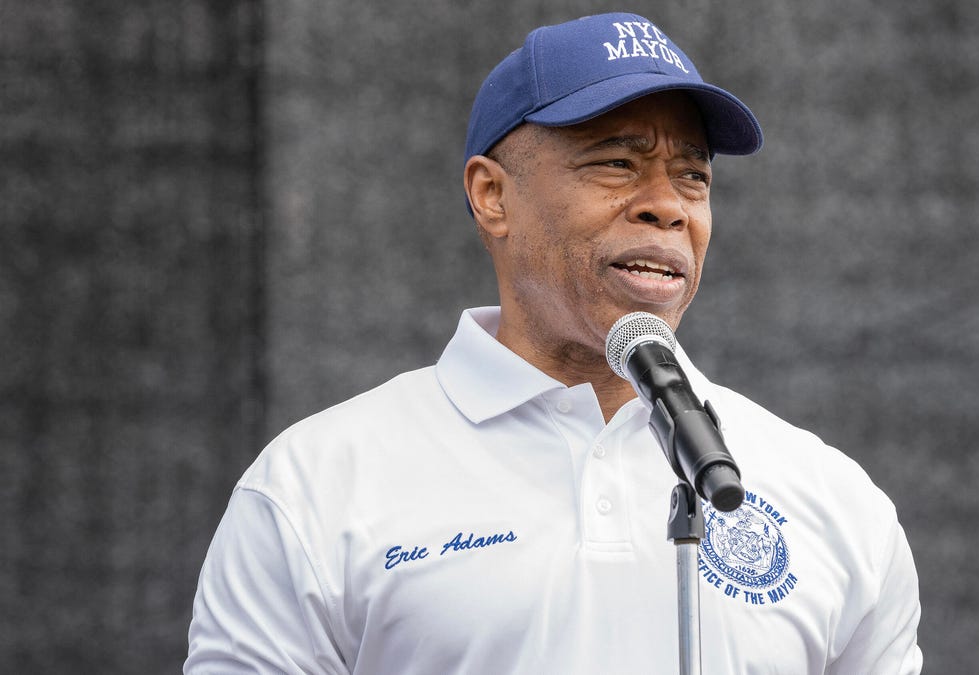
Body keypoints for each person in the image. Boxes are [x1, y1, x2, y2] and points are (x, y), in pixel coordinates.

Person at [186, 12, 922, 674]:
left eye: (692, 176)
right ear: (492, 195)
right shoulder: (314, 488)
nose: (666, 205)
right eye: (616, 163)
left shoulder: (834, 502)